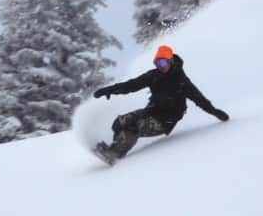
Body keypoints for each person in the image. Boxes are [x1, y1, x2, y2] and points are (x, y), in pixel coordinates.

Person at [92, 45, 229, 162]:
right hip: (152, 111)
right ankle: (115, 146)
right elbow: (131, 85)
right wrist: (108, 90)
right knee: (120, 122)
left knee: (133, 126)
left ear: (171, 62)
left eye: (163, 63)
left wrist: (215, 112)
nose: (160, 67)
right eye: (157, 63)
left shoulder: (181, 81)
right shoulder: (154, 76)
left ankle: (115, 154)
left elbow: (200, 100)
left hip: (165, 120)